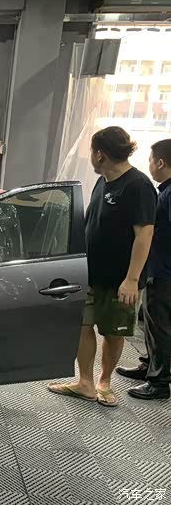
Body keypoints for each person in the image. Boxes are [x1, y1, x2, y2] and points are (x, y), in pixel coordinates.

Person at [48, 126, 157, 407]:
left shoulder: (138, 186)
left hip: (120, 279)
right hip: (90, 273)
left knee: (113, 332)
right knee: (82, 325)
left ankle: (104, 382)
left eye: (91, 152)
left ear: (100, 154)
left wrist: (131, 279)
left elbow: (144, 235)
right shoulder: (103, 181)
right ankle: (85, 382)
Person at [116, 139, 171, 400]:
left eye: (150, 160)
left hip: (165, 273)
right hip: (157, 269)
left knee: (161, 326)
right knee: (151, 322)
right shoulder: (164, 191)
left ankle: (159, 382)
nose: (149, 164)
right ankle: (149, 365)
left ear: (160, 162)